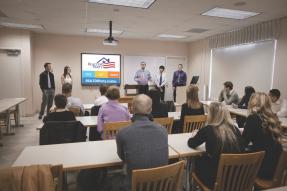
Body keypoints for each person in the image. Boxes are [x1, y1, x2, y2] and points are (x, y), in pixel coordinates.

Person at [116, 94, 168, 191]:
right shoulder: (163, 130)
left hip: (135, 186)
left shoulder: (122, 133)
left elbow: (122, 157)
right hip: (161, 185)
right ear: (151, 109)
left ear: (131, 109)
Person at [188, 102, 243, 189]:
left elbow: (191, 143)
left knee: (196, 159)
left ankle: (191, 187)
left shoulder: (208, 129)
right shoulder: (235, 129)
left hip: (215, 180)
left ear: (212, 115)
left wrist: (195, 134)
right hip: (235, 178)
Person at [242, 92, 282, 180]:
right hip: (275, 165)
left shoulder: (253, 118)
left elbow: (243, 143)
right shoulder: (274, 118)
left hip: (261, 167)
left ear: (253, 103)